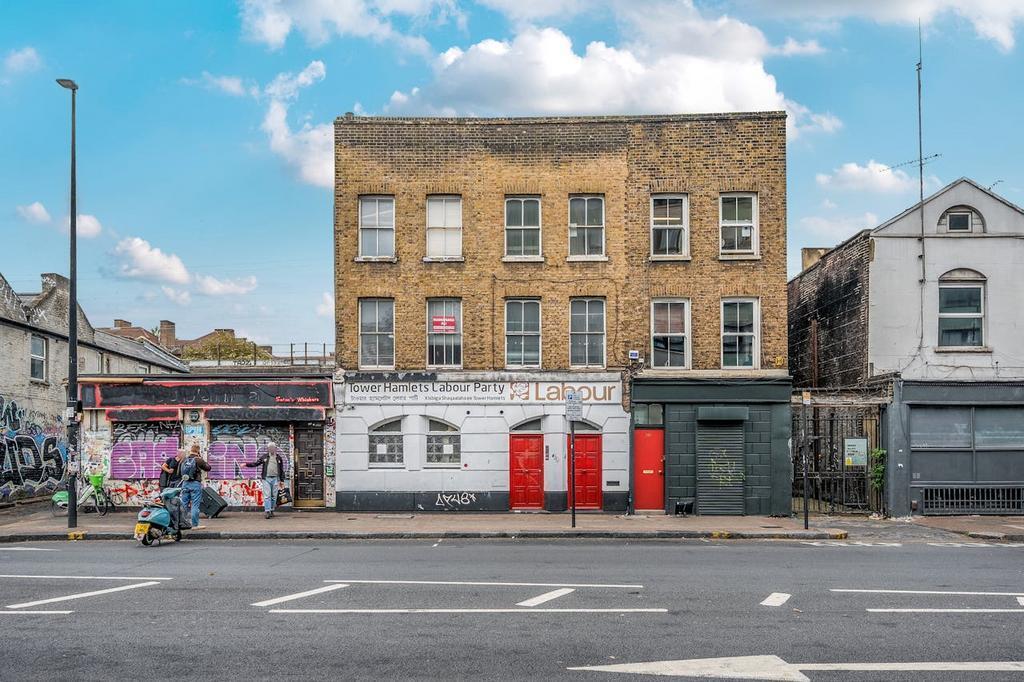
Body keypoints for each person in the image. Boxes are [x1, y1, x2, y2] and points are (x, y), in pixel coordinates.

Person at [242, 443, 287, 519]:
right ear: (268, 449)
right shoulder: (264, 457)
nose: (271, 449)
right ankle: (267, 511)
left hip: (275, 479)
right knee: (267, 496)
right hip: (266, 479)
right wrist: (246, 464)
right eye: (270, 447)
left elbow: (281, 470)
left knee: (274, 496)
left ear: (275, 448)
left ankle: (272, 510)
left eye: (273, 447)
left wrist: (282, 480)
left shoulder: (279, 458)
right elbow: (256, 463)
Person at [178, 444, 211, 529]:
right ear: (198, 451)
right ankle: (195, 525)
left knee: (184, 504)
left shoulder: (184, 459)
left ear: (191, 450)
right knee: (195, 505)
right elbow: (208, 468)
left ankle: (182, 524)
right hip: (195, 484)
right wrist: (201, 459)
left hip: (185, 483)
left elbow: (179, 472)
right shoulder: (198, 460)